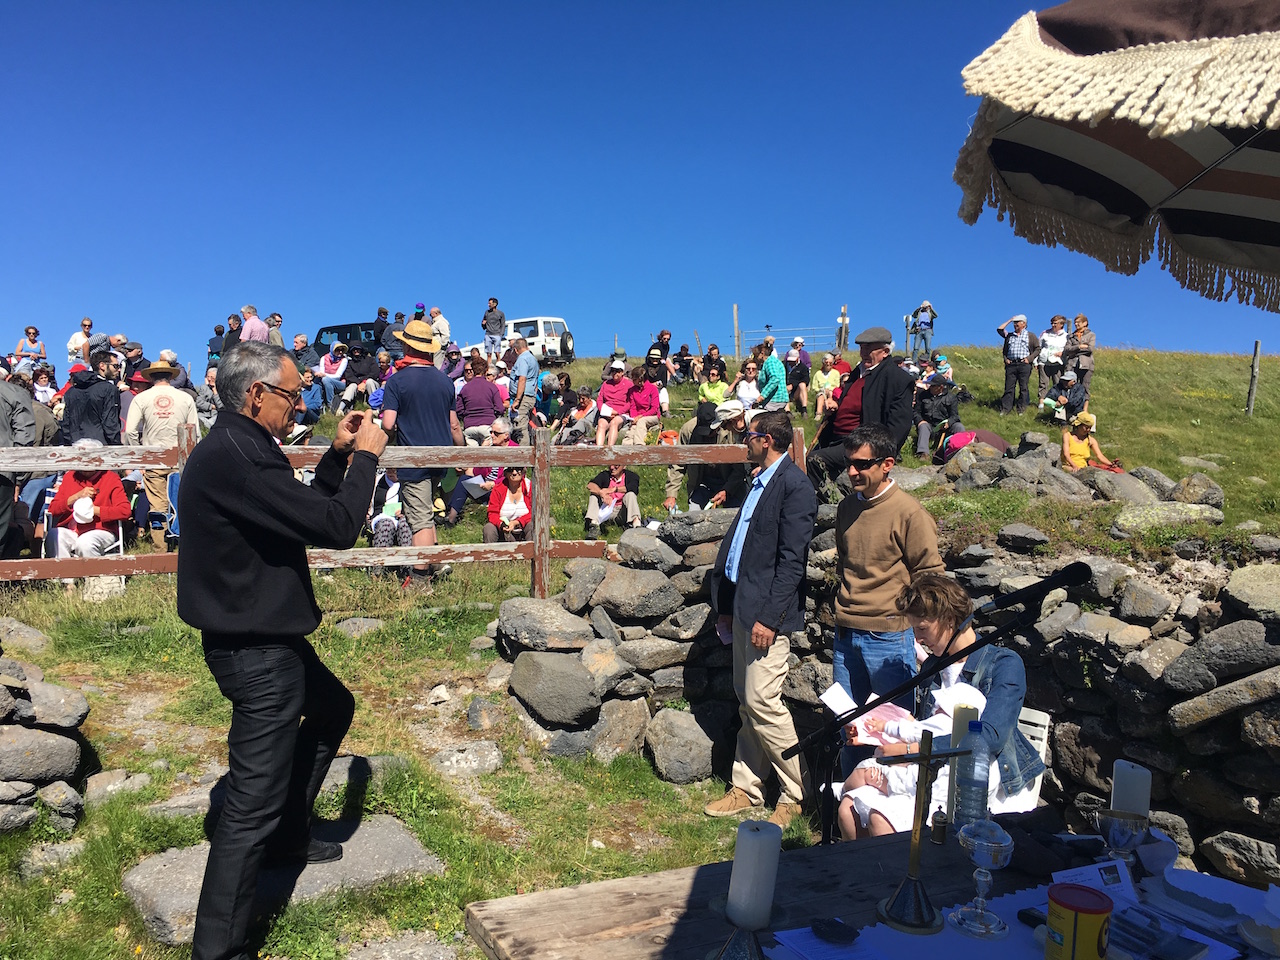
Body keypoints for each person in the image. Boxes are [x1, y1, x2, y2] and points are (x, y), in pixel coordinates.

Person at [176, 340, 387, 960]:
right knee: (249, 807)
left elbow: (302, 512)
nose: (300, 404)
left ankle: (289, 833)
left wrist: (336, 457)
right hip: (256, 651)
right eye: (292, 395)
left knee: (332, 707)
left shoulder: (240, 447)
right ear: (256, 394)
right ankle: (218, 949)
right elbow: (336, 527)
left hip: (266, 637)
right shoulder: (238, 457)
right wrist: (367, 460)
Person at [837, 573, 1045, 839]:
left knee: (880, 820)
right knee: (848, 809)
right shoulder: (934, 666)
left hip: (979, 782)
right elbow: (928, 727)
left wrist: (911, 750)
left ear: (949, 620)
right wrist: (873, 733)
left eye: (922, 628)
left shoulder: (1003, 663)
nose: (917, 639)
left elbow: (990, 737)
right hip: (927, 770)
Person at [705, 412, 816, 828]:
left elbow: (792, 563)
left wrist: (770, 618)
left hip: (766, 616)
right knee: (748, 700)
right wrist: (728, 604)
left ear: (765, 440)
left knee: (762, 702)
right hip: (742, 608)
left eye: (748, 435)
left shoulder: (795, 487)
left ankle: (797, 792)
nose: (744, 442)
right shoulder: (758, 481)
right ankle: (747, 787)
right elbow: (742, 548)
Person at [832, 423, 944, 776]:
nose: (853, 471)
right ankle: (847, 801)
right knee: (850, 730)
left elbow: (930, 575)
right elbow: (845, 563)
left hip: (889, 637)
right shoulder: (846, 508)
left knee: (888, 733)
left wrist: (919, 630)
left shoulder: (909, 512)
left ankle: (887, 804)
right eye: (849, 463)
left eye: (862, 464)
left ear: (887, 464)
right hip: (846, 633)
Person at [382, 318, 464, 590]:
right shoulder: (445, 382)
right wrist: (463, 454)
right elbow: (454, 425)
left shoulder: (397, 381)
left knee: (419, 520)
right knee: (425, 510)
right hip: (440, 457)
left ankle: (420, 579)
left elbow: (388, 423)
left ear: (407, 347)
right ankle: (436, 562)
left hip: (412, 457)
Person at [807, 326, 916, 499]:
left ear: (885, 352)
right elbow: (851, 403)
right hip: (835, 439)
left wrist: (880, 453)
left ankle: (832, 502)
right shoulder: (857, 373)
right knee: (801, 462)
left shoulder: (897, 378)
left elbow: (900, 423)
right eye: (862, 348)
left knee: (814, 460)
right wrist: (834, 407)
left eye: (869, 348)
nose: (863, 353)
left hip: (861, 443)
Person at [124, 358, 199, 548]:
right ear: (170, 377)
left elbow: (130, 431)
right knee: (181, 502)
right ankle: (183, 547)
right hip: (180, 458)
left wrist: (141, 457)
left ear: (151, 378)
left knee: (158, 505)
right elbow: (195, 432)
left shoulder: (141, 398)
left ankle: (161, 549)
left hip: (153, 458)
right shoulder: (185, 398)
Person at [47, 443, 131, 591]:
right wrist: (76, 497)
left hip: (102, 530)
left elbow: (125, 511)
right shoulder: (70, 477)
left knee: (85, 542)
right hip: (73, 530)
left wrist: (95, 510)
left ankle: (94, 585)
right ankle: (68, 584)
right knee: (55, 534)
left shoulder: (111, 477)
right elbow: (53, 509)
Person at [662, 400, 751, 513]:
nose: (708, 435)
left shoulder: (730, 430)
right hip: (701, 483)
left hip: (730, 482)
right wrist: (671, 495)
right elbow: (678, 462)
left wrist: (727, 490)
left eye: (711, 432)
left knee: (736, 515)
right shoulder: (688, 430)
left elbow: (739, 469)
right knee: (694, 515)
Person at [442, 417, 515, 525]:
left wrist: (494, 484)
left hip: (503, 490)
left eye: (496, 433)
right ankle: (450, 517)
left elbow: (515, 478)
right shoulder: (491, 448)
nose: (492, 435)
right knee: (464, 480)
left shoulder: (515, 450)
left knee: (466, 480)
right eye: (491, 432)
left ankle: (450, 517)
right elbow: (477, 472)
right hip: (485, 486)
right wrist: (482, 453)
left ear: (506, 435)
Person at [0, 359, 36, 557]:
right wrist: (19, 478)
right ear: (7, 376)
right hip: (3, 470)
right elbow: (24, 435)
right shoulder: (15, 393)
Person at [63, 349, 122, 446]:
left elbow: (66, 423)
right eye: (115, 366)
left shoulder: (71, 391)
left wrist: (69, 444)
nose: (118, 370)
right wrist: (116, 445)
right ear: (102, 366)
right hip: (101, 446)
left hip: (75, 445)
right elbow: (110, 423)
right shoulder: (109, 389)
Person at [997, 315, 1040, 415]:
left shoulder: (1030, 335)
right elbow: (1000, 329)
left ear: (1024, 324)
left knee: (1023, 387)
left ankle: (1021, 409)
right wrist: (1010, 320)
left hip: (1024, 364)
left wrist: (1029, 359)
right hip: (1011, 364)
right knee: (1009, 387)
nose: (1015, 324)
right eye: (1014, 322)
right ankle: (1006, 409)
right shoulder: (1009, 335)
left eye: (1017, 322)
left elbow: (1038, 349)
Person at [584, 463, 641, 539]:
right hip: (605, 510)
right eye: (610, 465)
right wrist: (601, 493)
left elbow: (633, 487)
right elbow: (590, 485)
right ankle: (594, 526)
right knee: (594, 496)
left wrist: (614, 489)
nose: (612, 467)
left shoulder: (631, 476)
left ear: (624, 466)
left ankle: (636, 525)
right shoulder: (605, 475)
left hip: (621, 511)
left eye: (616, 465)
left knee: (630, 494)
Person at [914, 373, 963, 460]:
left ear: (940, 387)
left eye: (933, 386)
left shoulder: (951, 398)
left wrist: (949, 422)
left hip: (944, 426)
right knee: (923, 426)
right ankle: (923, 453)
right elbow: (916, 412)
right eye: (930, 385)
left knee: (959, 426)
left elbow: (955, 416)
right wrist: (920, 421)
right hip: (929, 424)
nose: (930, 387)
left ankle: (961, 450)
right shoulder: (923, 395)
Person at [457, 358, 505, 445]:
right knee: (486, 453)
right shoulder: (491, 387)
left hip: (469, 426)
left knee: (472, 453)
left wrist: (466, 417)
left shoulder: (465, 388)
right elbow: (500, 408)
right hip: (487, 425)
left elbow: (459, 409)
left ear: (473, 370)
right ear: (486, 370)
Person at [484, 465, 532, 542]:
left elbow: (535, 512)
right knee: (489, 528)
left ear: (523, 471)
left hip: (524, 528)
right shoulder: (498, 489)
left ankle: (532, 549)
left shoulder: (530, 487)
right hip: (504, 531)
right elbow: (492, 513)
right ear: (505, 473)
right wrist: (501, 524)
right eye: (510, 470)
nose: (514, 473)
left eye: (518, 469)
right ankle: (490, 549)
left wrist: (517, 522)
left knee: (533, 525)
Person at [508, 337, 540, 445]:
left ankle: (524, 452)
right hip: (530, 395)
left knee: (520, 427)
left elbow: (522, 379)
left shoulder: (522, 359)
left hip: (523, 397)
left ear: (516, 350)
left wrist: (517, 399)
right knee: (524, 424)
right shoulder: (533, 359)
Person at [595, 359, 633, 446]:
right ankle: (598, 448)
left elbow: (630, 402)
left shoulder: (629, 384)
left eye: (617, 371)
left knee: (614, 422)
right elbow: (600, 400)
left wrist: (617, 412)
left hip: (621, 413)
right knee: (601, 423)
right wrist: (604, 411)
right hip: (606, 413)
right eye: (613, 370)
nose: (615, 373)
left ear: (622, 372)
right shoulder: (606, 384)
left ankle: (610, 447)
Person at [335, 344, 380, 414]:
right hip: (356, 384)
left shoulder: (370, 360)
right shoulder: (350, 363)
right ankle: (340, 409)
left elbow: (375, 372)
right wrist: (359, 384)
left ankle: (376, 408)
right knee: (352, 385)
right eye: (354, 349)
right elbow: (349, 376)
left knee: (369, 381)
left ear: (361, 349)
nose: (356, 351)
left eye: (358, 349)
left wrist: (364, 382)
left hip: (370, 382)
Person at [624, 364, 661, 444]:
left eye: (634, 379)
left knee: (641, 421)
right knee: (633, 429)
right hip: (637, 417)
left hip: (652, 416)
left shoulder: (652, 389)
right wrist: (634, 418)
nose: (632, 381)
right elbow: (633, 407)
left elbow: (654, 409)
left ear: (640, 379)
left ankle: (639, 445)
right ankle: (626, 446)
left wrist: (640, 416)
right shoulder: (632, 390)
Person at [1036, 315, 1069, 402]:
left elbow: (1068, 349)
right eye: (1052, 323)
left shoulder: (1066, 336)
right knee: (1043, 383)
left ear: (1061, 324)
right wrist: (1036, 362)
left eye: (1055, 323)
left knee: (1058, 383)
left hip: (1058, 362)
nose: (1053, 325)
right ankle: (1041, 402)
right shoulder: (1045, 333)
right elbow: (1038, 347)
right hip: (1044, 362)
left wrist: (1062, 353)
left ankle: (1057, 403)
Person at [1062, 313, 1096, 397]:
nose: (1076, 324)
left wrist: (1074, 351)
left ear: (1085, 323)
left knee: (1085, 386)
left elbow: (1090, 349)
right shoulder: (1071, 336)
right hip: (1072, 364)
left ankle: (1085, 405)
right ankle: (1072, 404)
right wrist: (1079, 346)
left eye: (1078, 322)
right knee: (1071, 386)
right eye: (1075, 322)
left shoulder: (1091, 335)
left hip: (1086, 365)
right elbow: (1067, 349)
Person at [756, 342, 788, 411]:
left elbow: (775, 378)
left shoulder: (770, 362)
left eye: (755, 355)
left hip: (774, 399)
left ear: (762, 353)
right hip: (776, 399)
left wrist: (762, 396)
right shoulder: (773, 361)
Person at [811, 353, 840, 420]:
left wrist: (829, 389)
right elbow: (814, 386)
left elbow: (837, 385)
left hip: (832, 391)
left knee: (830, 393)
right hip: (821, 391)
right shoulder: (818, 373)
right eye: (826, 362)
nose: (828, 364)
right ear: (823, 363)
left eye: (830, 363)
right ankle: (818, 414)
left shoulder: (836, 373)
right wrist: (821, 389)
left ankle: (830, 412)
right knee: (821, 395)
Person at [784, 347, 810, 417]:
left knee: (802, 385)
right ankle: (787, 412)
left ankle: (804, 410)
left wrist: (793, 385)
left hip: (796, 391)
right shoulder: (783, 365)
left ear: (798, 358)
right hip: (785, 389)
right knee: (783, 389)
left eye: (793, 360)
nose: (791, 362)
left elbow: (806, 380)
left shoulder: (803, 368)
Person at [195, 367, 221, 432]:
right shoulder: (204, 388)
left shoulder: (222, 389)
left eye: (212, 377)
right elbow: (199, 402)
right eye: (208, 377)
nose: (209, 379)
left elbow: (220, 406)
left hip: (216, 416)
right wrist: (211, 406)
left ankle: (206, 426)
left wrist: (215, 391)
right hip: (203, 415)